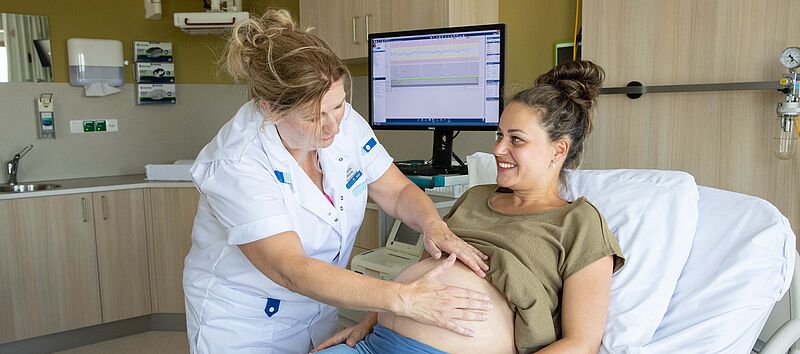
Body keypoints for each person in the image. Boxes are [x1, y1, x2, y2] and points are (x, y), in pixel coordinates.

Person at [183, 9, 494, 354]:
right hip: (247, 325)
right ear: (270, 109)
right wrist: (402, 298)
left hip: (317, 312)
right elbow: (290, 269)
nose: (333, 126)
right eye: (315, 117)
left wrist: (432, 224)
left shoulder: (341, 121)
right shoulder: (237, 163)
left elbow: (397, 190)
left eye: (339, 105)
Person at [314, 60, 626, 354]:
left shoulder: (579, 223)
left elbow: (580, 343)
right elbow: (420, 276)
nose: (498, 149)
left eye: (516, 140)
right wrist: (366, 325)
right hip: (376, 343)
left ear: (558, 149)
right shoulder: (475, 197)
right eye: (499, 135)